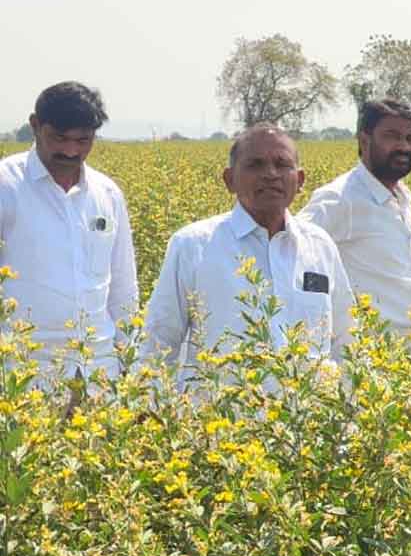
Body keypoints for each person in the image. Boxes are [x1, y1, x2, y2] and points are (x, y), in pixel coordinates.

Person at [143, 124, 355, 385]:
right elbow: (159, 340)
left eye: (282, 164)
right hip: (219, 420)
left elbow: (346, 339)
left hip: (308, 421)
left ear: (300, 181)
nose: (270, 174)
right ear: (229, 180)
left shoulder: (320, 246)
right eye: (255, 165)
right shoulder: (193, 245)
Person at [0, 81, 138, 390]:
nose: (70, 150)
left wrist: (129, 359)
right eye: (59, 138)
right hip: (23, 371)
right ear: (35, 126)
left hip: (97, 371)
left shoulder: (107, 193)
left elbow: (123, 284)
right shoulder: (6, 186)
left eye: (82, 140)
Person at [298, 99, 411, 335]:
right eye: (391, 136)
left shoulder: (402, 199)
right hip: (368, 357)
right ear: (364, 140)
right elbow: (291, 258)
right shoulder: (339, 199)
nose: (403, 146)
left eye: (410, 139)